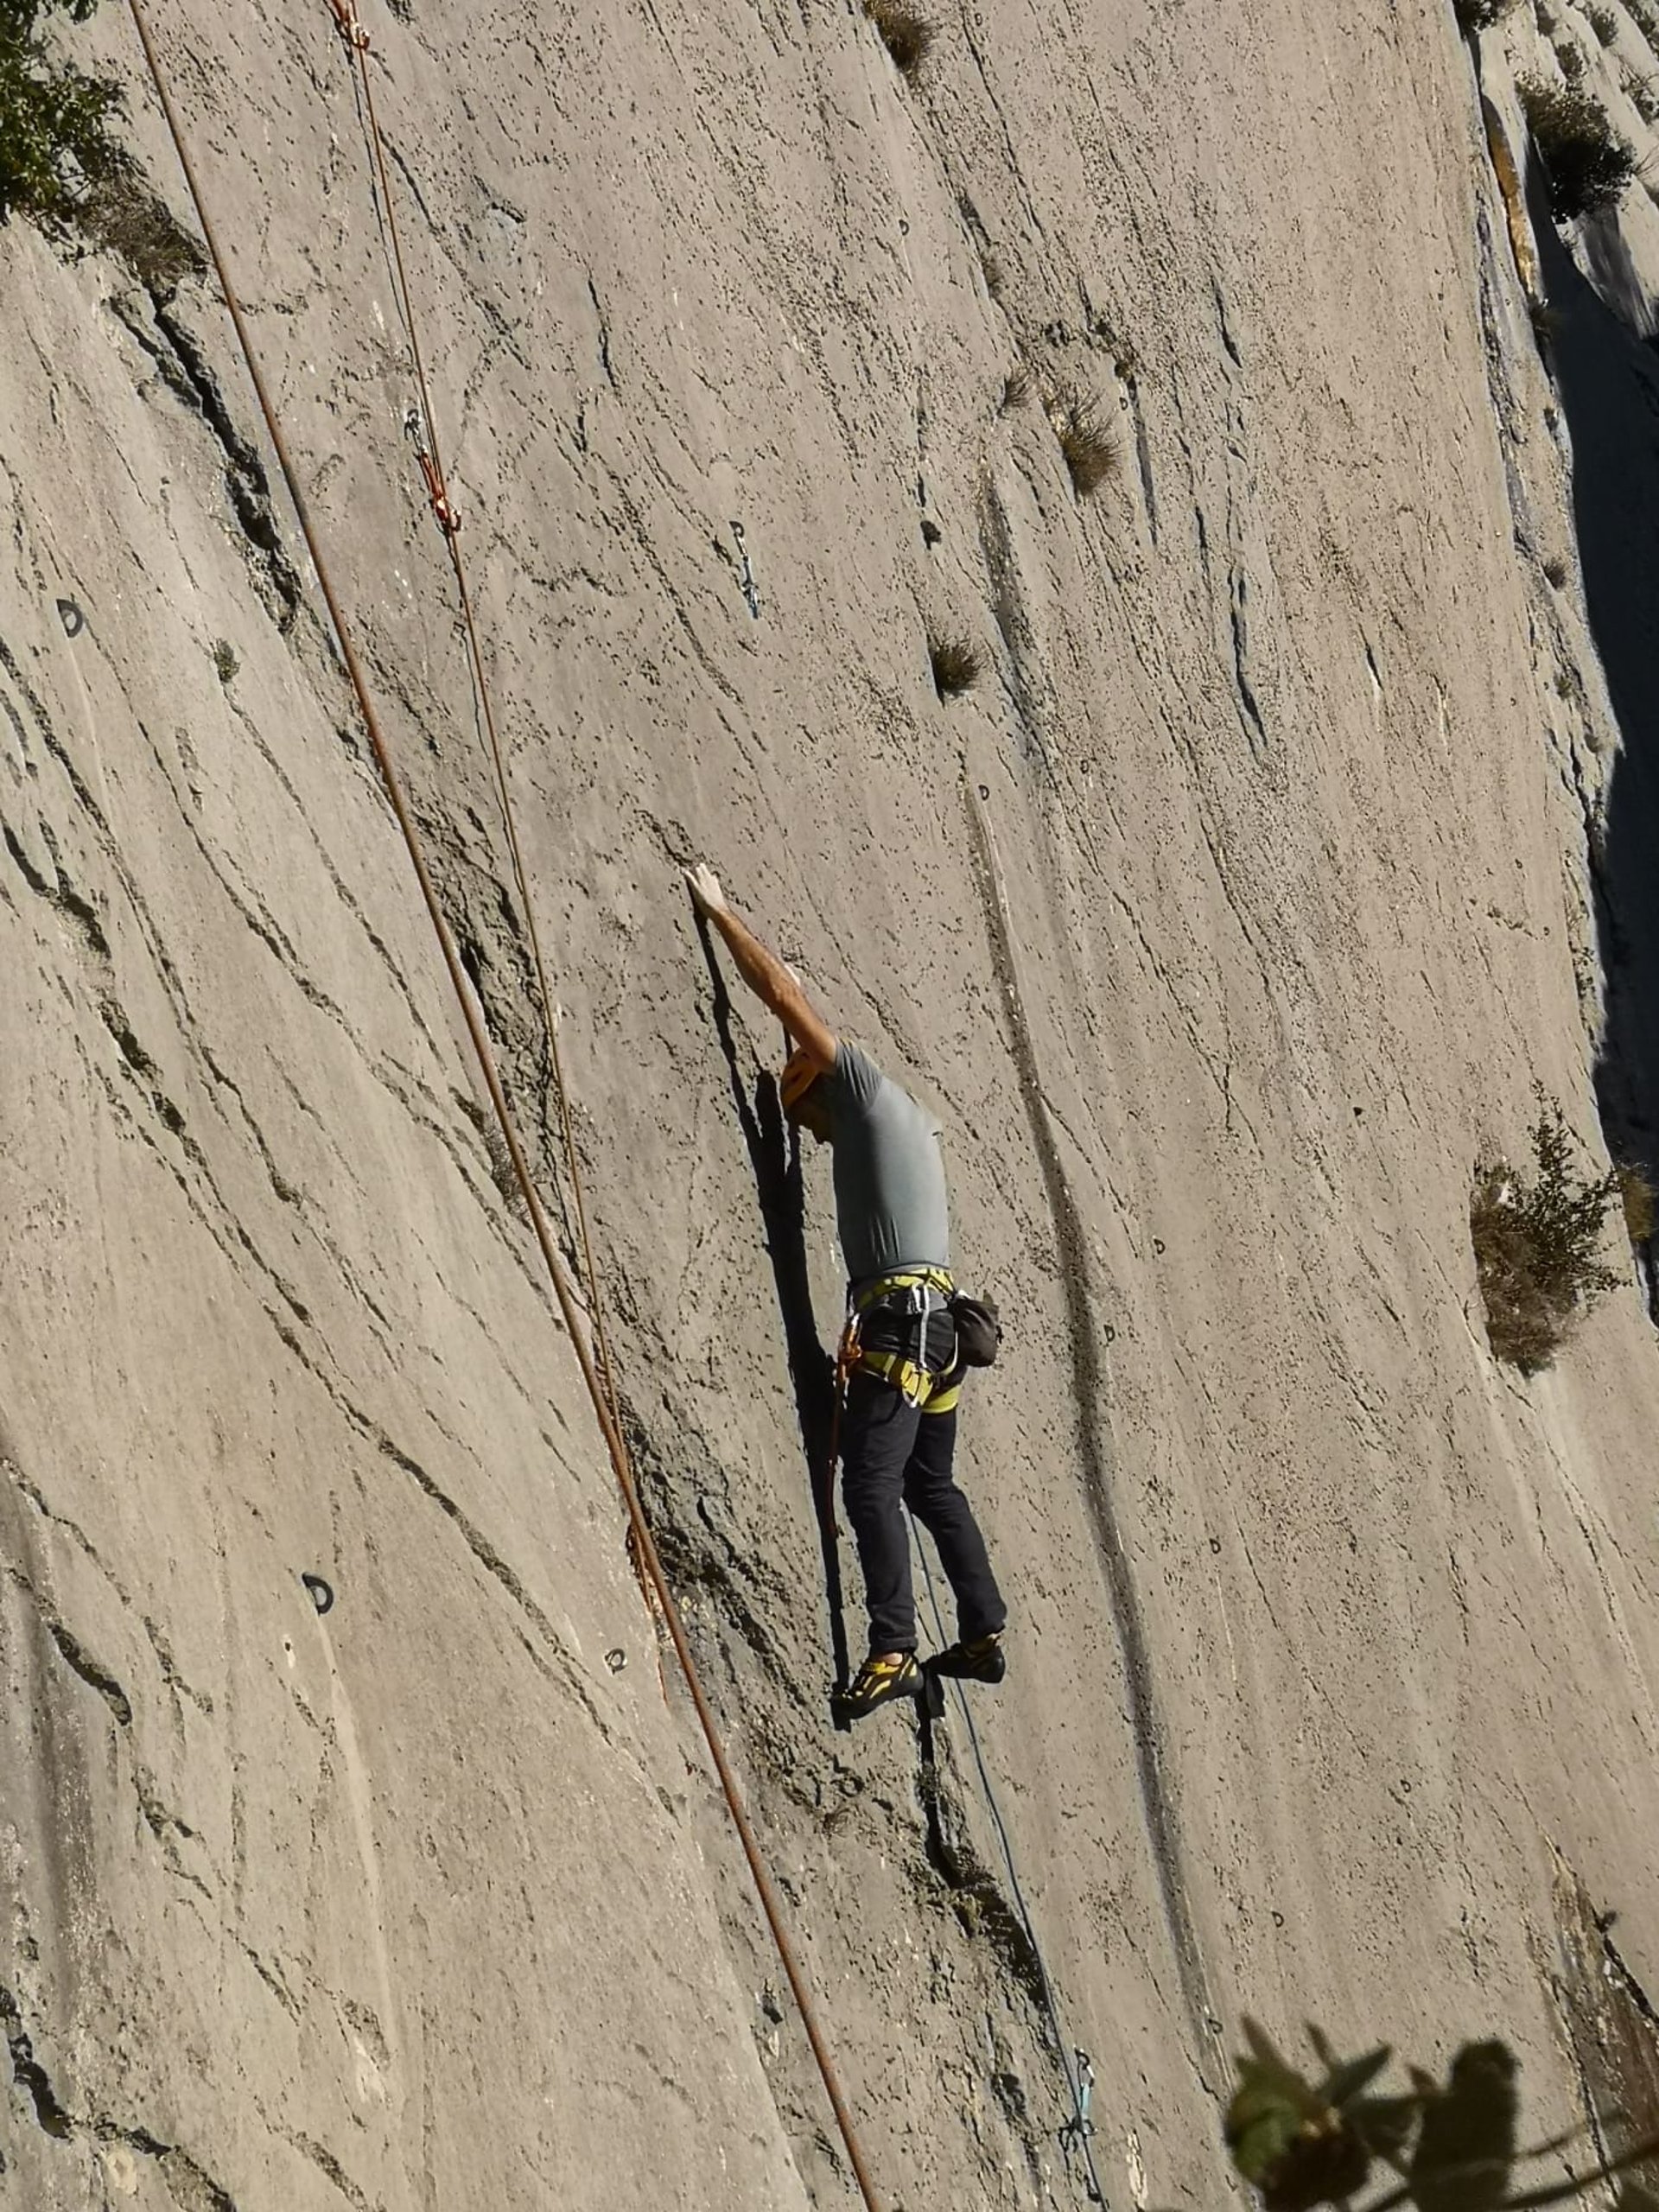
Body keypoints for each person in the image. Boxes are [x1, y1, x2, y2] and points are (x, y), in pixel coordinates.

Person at [686, 862, 1007, 1719]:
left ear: (822, 1081)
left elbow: (782, 997)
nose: (805, 1127)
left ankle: (893, 1648)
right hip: (938, 1332)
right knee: (931, 1486)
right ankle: (982, 1630)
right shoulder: (905, 1123)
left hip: (904, 1331)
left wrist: (720, 913)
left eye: (801, 1105)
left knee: (869, 1488)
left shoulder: (863, 1091)